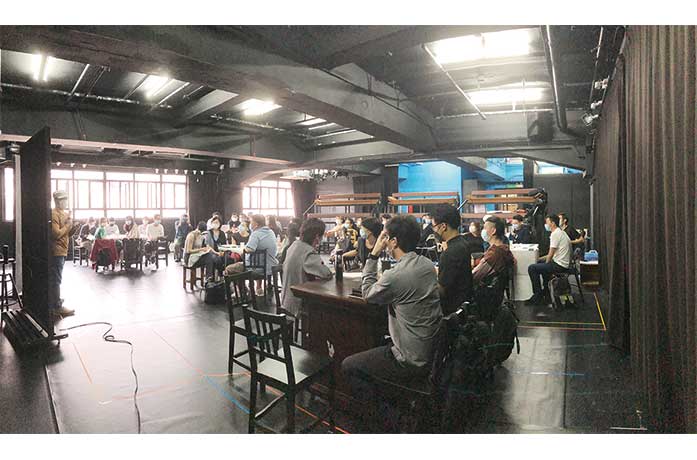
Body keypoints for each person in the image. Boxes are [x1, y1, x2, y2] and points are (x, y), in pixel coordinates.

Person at [341, 215, 443, 430]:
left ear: (394, 241)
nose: (383, 240)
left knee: (349, 366)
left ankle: (390, 421)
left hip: (410, 358)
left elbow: (368, 294)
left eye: (385, 237)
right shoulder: (426, 264)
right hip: (431, 349)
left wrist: (373, 254)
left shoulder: (396, 276)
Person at [281, 218, 333, 316]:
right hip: (298, 304)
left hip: (286, 299)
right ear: (317, 236)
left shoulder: (294, 245)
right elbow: (326, 274)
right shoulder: (308, 252)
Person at [431, 205, 473, 314]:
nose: (433, 231)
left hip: (451, 310)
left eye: (434, 226)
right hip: (463, 304)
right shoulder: (463, 243)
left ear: (443, 226)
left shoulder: (450, 253)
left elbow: (442, 290)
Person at [526, 214, 572, 305]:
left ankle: (537, 295)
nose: (546, 225)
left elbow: (550, 255)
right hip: (563, 262)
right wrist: (539, 259)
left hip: (559, 265)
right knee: (540, 263)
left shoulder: (555, 234)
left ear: (553, 223)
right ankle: (546, 291)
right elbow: (552, 254)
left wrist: (545, 263)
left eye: (547, 222)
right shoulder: (561, 232)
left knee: (532, 268)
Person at [49, 191, 76, 318]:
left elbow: (67, 234)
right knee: (56, 279)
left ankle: (56, 300)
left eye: (66, 200)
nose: (65, 202)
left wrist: (73, 227)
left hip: (63, 250)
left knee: (57, 278)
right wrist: (68, 225)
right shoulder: (53, 214)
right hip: (57, 251)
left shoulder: (64, 214)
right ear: (57, 201)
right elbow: (56, 234)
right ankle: (57, 307)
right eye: (63, 200)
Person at [244, 214, 279, 296]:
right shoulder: (271, 232)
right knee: (257, 260)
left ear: (256, 224)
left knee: (230, 269)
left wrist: (244, 249)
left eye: (251, 222)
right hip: (271, 265)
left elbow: (249, 249)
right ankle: (258, 288)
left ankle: (242, 292)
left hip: (258, 268)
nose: (250, 224)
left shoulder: (255, 234)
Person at [473, 216, 515, 283]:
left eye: (485, 228)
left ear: (493, 231)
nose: (482, 231)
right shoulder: (504, 248)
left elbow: (474, 276)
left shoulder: (493, 254)